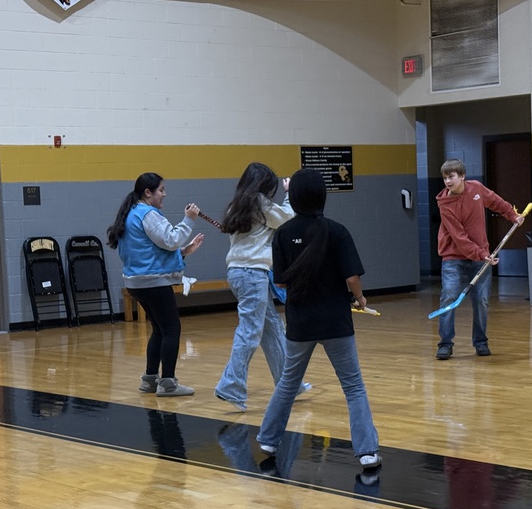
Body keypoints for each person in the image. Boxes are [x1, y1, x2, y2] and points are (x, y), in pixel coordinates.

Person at [256, 168, 381, 469]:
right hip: (336, 321)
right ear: (322, 195)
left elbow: (282, 282)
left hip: (300, 322)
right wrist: (361, 299)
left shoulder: (283, 234)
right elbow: (352, 277)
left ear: (294, 197)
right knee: (353, 386)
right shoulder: (337, 231)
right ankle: (366, 452)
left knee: (288, 382)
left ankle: (268, 439)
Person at [214, 162, 310, 412]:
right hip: (252, 273)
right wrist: (290, 193)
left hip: (239, 272)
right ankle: (230, 385)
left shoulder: (237, 204)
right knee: (250, 331)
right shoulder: (259, 202)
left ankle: (289, 383)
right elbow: (287, 219)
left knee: (271, 329)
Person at [106, 172, 204, 396]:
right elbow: (170, 240)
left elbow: (151, 250)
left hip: (137, 283)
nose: (164, 194)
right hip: (153, 283)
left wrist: (184, 252)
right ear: (148, 192)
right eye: (161, 190)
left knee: (159, 330)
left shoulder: (131, 213)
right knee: (171, 329)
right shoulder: (148, 214)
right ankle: (168, 383)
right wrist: (189, 219)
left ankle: (150, 379)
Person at [435, 158, 523, 360]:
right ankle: (445, 344)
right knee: (448, 297)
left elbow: (497, 202)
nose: (448, 181)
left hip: (480, 256)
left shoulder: (476, 189)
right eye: (445, 178)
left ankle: (481, 342)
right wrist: (482, 255)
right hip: (453, 257)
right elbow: (460, 238)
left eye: (451, 177)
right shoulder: (445, 205)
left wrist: (513, 215)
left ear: (462, 176)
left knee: (481, 300)